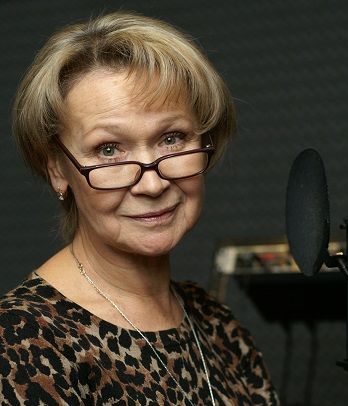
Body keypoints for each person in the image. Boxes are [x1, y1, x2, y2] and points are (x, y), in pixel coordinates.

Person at [0, 11, 280, 405]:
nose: (152, 184)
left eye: (172, 138)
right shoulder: (21, 341)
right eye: (108, 149)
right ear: (58, 170)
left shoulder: (216, 324)